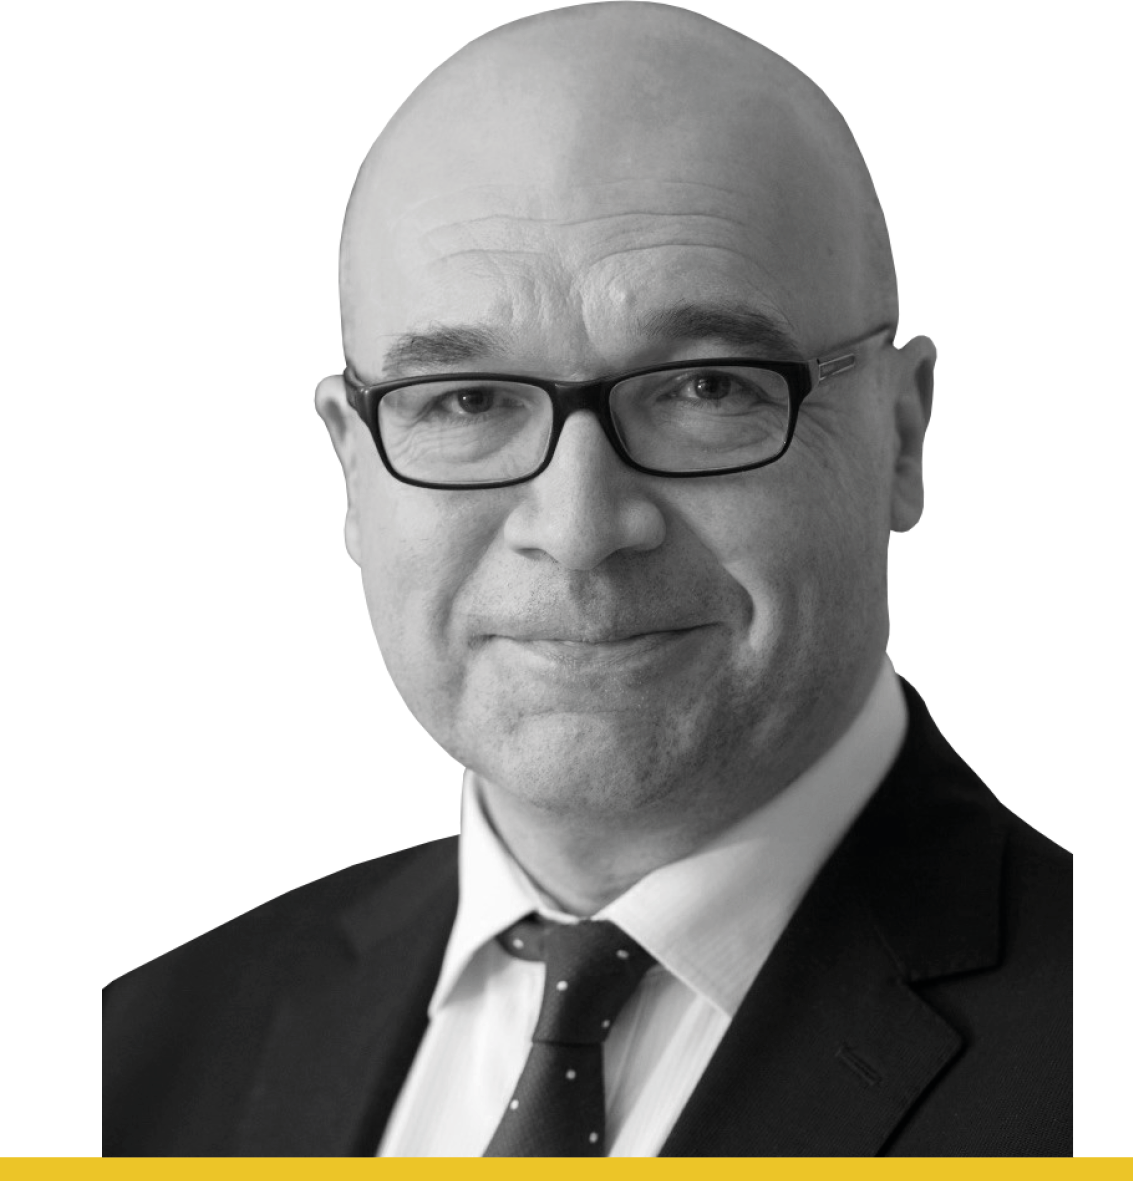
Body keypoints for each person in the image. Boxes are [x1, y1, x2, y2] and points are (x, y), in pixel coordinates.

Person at [102, 1, 1071, 1157]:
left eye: (705, 387)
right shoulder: (135, 1058)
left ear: (900, 438)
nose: (578, 528)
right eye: (465, 400)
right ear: (351, 465)